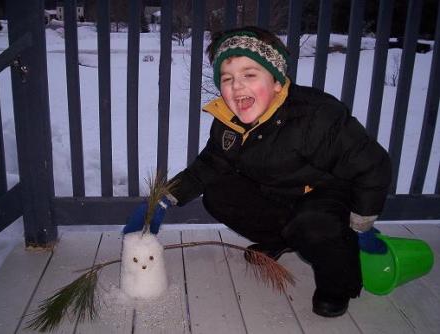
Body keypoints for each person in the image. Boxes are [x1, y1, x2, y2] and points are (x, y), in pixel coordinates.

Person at [124, 26, 391, 318]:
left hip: (323, 195)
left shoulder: (316, 116)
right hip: (278, 193)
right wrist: (162, 199)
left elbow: (372, 164)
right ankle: (281, 240)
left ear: (276, 81)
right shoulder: (229, 122)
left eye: (249, 75)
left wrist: (361, 225)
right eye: (227, 79)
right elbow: (209, 165)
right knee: (218, 193)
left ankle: (338, 285)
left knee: (313, 224)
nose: (237, 87)